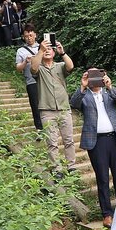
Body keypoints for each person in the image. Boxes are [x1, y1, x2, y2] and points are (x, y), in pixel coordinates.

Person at [71, 70, 116, 224]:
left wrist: (109, 86)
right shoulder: (85, 96)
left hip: (114, 139)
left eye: (98, 76)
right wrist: (82, 87)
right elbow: (74, 104)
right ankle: (107, 213)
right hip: (96, 142)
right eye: (92, 77)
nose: (95, 80)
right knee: (102, 178)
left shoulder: (108, 93)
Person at [30, 35, 75, 174]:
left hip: (64, 108)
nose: (48, 50)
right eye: (45, 49)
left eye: (50, 48)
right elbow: (33, 68)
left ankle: (71, 166)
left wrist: (63, 52)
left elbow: (70, 66)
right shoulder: (39, 67)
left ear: (54, 52)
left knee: (69, 140)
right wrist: (40, 51)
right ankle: (56, 169)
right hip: (47, 110)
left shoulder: (60, 66)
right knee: (52, 142)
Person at [14, 24, 44, 130]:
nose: (29, 38)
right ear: (23, 37)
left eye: (31, 35)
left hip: (44, 80)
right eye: (26, 36)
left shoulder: (43, 47)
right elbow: (18, 68)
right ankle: (39, 129)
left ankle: (49, 127)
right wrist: (25, 62)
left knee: (46, 105)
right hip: (31, 81)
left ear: (35, 35)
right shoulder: (21, 51)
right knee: (35, 106)